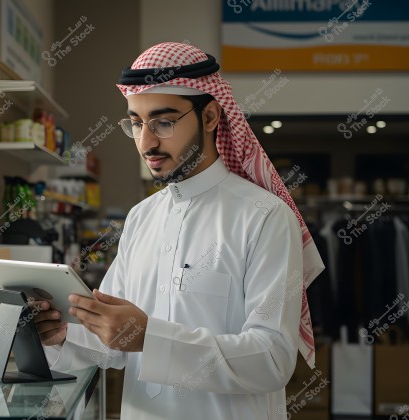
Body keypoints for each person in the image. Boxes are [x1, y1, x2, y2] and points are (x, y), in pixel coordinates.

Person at [33, 42, 325, 420]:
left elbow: (271, 359)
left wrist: (150, 337)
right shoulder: (141, 218)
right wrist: (62, 335)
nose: (146, 142)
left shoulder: (265, 217)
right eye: (136, 123)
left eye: (163, 122)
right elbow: (116, 340)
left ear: (210, 118)